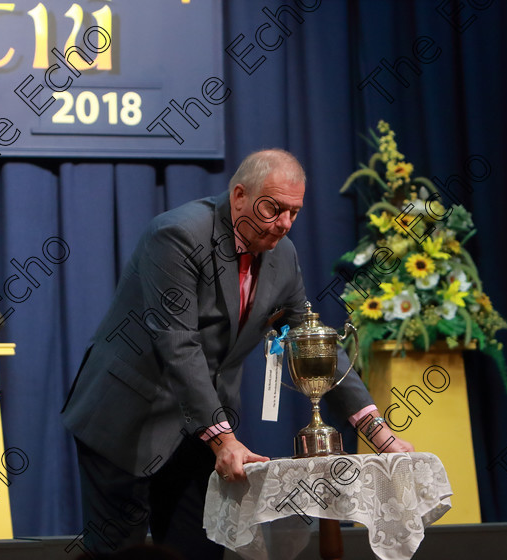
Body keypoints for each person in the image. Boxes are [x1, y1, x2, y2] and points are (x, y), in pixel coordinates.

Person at [61, 149, 412, 559]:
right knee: (119, 556)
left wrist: (377, 431)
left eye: (294, 212)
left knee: (199, 551)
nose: (284, 224)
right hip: (127, 421)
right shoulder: (176, 235)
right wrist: (224, 439)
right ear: (240, 195)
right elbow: (178, 341)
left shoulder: (283, 254)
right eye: (274, 208)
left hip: (200, 433)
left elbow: (311, 340)